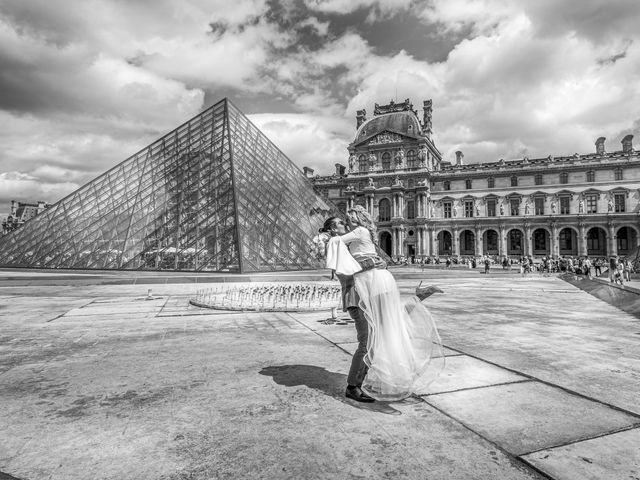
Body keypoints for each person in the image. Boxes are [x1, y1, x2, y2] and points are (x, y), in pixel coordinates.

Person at [320, 208, 444, 402]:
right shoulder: (338, 245)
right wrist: (372, 264)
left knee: (389, 325)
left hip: (371, 288)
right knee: (368, 340)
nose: (346, 224)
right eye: (342, 222)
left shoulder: (354, 240)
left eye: (348, 221)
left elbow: (374, 259)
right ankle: (353, 386)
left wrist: (380, 264)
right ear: (333, 230)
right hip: (357, 296)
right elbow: (345, 272)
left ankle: (418, 298)